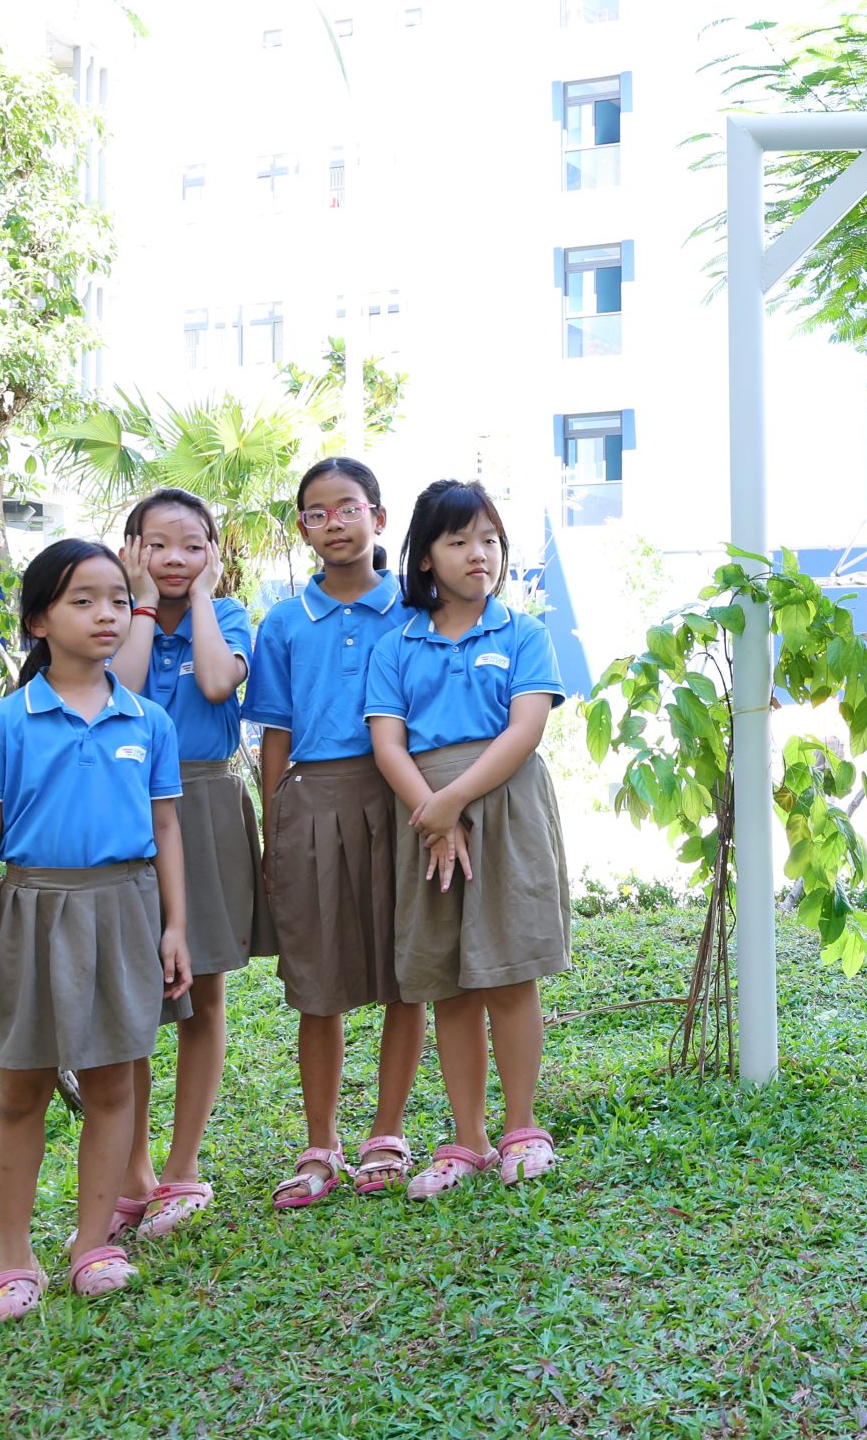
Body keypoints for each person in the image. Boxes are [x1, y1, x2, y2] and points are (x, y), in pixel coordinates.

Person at [0, 539, 191, 1324]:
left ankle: (94, 1244)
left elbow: (167, 828)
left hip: (124, 908)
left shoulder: (147, 720)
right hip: (30, 912)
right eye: (83, 599)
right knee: (22, 1087)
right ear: (39, 618)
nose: (106, 614)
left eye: (118, 598)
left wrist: (176, 925)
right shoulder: (5, 723)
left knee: (115, 1079)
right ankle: (13, 1259)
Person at [363, 479, 573, 1196]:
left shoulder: (523, 634)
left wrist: (453, 801)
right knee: (449, 980)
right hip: (425, 818)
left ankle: (522, 1127)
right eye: (458, 541)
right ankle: (468, 1136)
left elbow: (526, 728)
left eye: (488, 539)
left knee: (511, 971)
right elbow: (387, 743)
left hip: (503, 809)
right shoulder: (397, 645)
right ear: (425, 556)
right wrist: (433, 813)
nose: (477, 553)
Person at [241, 457, 425, 1206]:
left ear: (379, 517)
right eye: (316, 513)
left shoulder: (414, 611)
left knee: (402, 965)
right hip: (311, 798)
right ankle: (320, 1141)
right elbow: (273, 736)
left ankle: (388, 1130)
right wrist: (275, 816)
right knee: (317, 980)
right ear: (302, 529)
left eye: (348, 507)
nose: (335, 524)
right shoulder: (283, 622)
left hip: (401, 794)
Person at [110, 488, 263, 1241]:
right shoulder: (111, 615)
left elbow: (213, 683)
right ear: (132, 547)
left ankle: (183, 1167)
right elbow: (124, 694)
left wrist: (202, 596)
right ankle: (132, 1175)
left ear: (212, 553)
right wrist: (139, 604)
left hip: (203, 805)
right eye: (158, 543)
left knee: (202, 994)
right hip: (124, 812)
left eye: (192, 545)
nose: (175, 559)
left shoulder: (227, 617)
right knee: (135, 999)